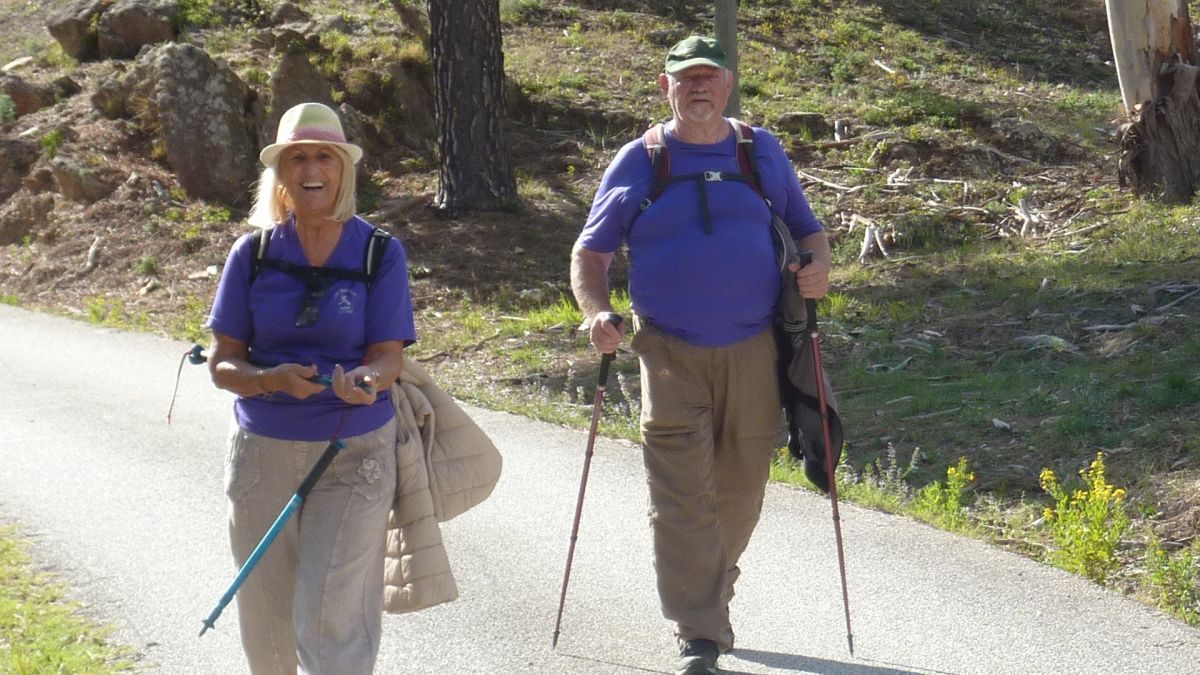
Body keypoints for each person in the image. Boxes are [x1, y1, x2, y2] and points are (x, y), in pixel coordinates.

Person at [569, 36, 832, 675]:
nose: (697, 88)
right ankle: (700, 636)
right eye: (684, 79)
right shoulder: (641, 159)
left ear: (728, 84)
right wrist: (596, 314)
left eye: (708, 77)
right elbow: (590, 255)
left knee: (741, 491)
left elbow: (807, 228)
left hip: (754, 348)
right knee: (682, 494)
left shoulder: (758, 150)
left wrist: (819, 267)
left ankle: (710, 591)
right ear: (666, 89)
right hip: (667, 352)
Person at [205, 101, 416, 674]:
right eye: (296, 157)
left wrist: (366, 382)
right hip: (262, 454)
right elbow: (222, 364)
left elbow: (387, 357)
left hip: (354, 451)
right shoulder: (252, 254)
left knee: (329, 617)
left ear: (344, 169)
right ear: (280, 173)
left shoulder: (379, 253)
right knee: (267, 621)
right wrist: (268, 380)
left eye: (323, 155)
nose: (310, 168)